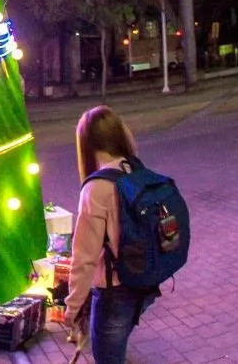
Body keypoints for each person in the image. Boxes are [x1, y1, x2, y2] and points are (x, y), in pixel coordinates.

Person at [65, 106, 151, 364]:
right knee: (118, 346)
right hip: (145, 282)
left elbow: (84, 257)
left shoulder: (96, 187)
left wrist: (73, 306)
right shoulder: (135, 169)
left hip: (116, 292)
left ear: (86, 143)